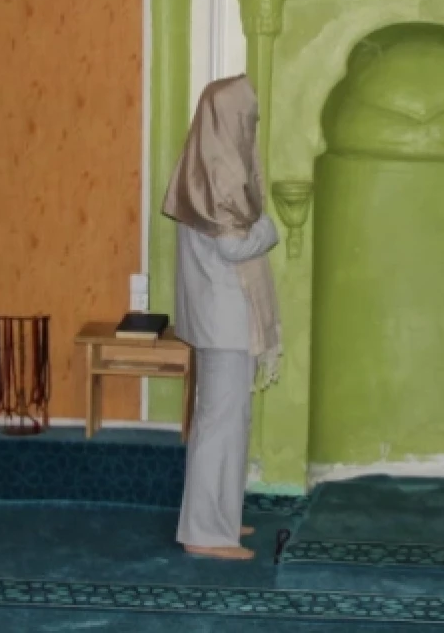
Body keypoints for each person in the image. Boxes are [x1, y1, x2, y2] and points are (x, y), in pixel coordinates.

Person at [161, 74, 282, 561]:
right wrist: (268, 230)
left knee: (226, 420)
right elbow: (235, 245)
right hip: (226, 318)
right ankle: (206, 533)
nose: (250, 129)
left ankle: (219, 518)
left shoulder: (204, 165)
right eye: (245, 120)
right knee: (220, 423)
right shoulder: (219, 176)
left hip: (221, 317)